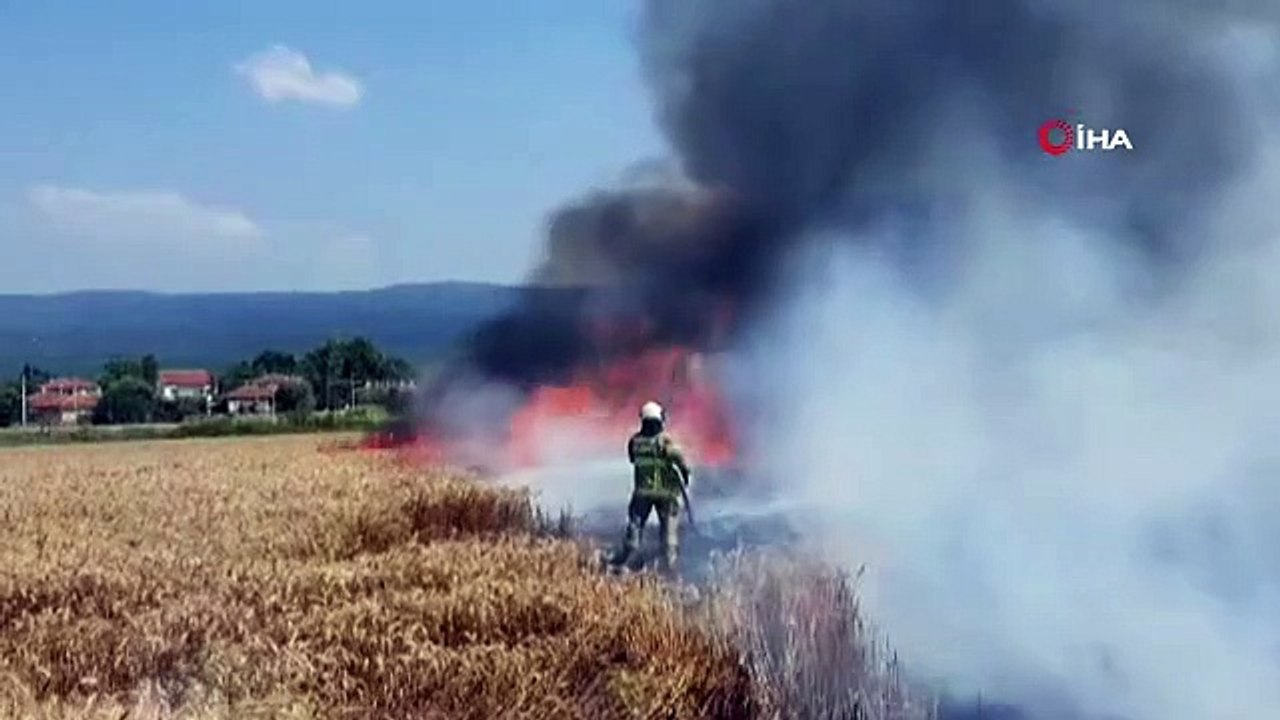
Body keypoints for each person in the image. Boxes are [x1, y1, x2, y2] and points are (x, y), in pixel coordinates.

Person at [614, 400, 692, 573]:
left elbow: (633, 459)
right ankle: (669, 565)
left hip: (643, 491)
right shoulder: (665, 442)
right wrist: (685, 476)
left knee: (636, 524)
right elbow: (681, 461)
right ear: (659, 420)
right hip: (666, 493)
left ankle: (629, 555)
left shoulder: (635, 442)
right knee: (669, 530)